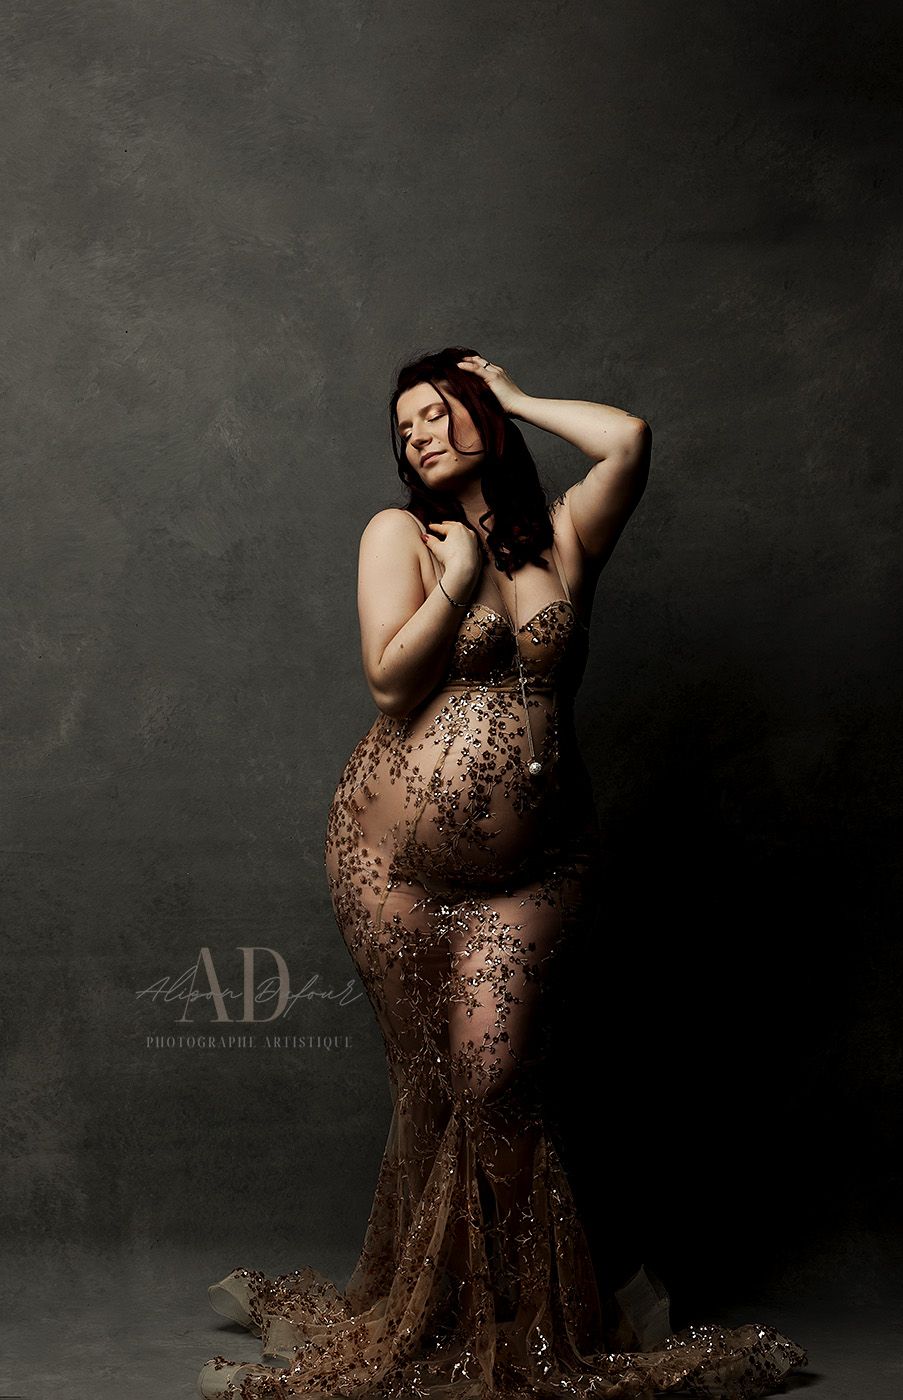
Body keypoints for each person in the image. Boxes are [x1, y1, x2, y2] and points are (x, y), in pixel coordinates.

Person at [197, 347, 807, 1399]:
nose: (419, 435)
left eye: (438, 412)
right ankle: (435, 1308)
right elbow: (390, 684)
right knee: (434, 1085)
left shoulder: (563, 537)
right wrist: (456, 585)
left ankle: (537, 1320)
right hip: (389, 861)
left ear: (483, 412)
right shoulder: (401, 535)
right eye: (405, 428)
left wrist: (519, 396)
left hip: (540, 866)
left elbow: (629, 439)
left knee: (496, 1076)